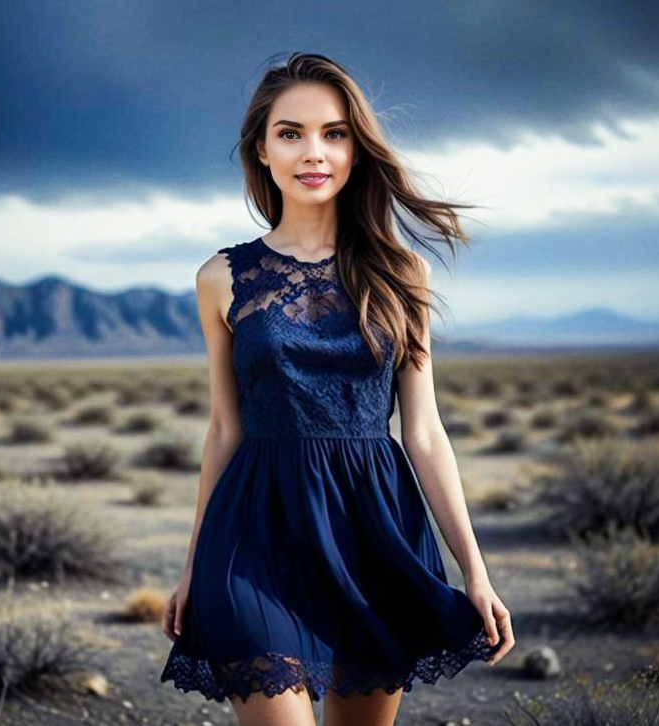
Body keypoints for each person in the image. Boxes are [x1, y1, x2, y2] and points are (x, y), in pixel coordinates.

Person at [160, 51, 514, 726]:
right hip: (253, 535)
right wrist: (190, 569)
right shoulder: (220, 279)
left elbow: (423, 431)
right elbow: (224, 430)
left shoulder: (401, 272)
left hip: (372, 531)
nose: (313, 152)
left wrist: (475, 570)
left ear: (356, 149)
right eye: (290, 133)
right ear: (261, 151)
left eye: (334, 132)